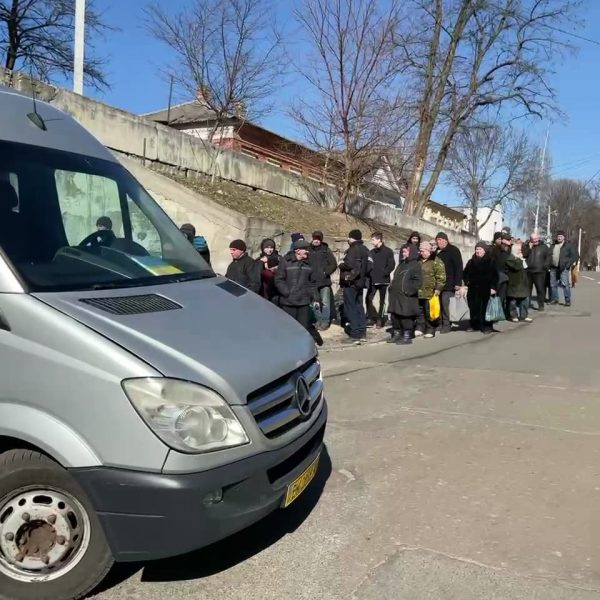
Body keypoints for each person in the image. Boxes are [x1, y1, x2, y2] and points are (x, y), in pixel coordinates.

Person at [275, 239, 323, 346]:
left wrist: (315, 299)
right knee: (288, 328)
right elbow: (279, 279)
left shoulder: (309, 264)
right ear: (297, 250)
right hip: (288, 302)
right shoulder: (285, 261)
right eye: (305, 249)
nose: (307, 251)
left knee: (303, 328)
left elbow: (312, 283)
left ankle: (300, 349)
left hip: (304, 302)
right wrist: (287, 293)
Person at [339, 229, 369, 342]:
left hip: (350, 282)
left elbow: (349, 264)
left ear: (353, 238)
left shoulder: (353, 249)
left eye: (349, 237)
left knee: (350, 307)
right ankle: (362, 330)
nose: (347, 239)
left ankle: (355, 332)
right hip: (360, 282)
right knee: (359, 306)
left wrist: (341, 264)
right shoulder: (365, 249)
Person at [388, 244, 422, 344]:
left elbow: (418, 282)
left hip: (406, 296)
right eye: (403, 252)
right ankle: (397, 333)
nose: (403, 253)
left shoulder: (415, 264)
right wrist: (391, 288)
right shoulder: (402, 264)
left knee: (405, 316)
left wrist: (409, 291)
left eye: (406, 251)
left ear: (411, 252)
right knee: (395, 315)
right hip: (396, 295)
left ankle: (407, 336)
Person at [463, 242, 498, 333]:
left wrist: (493, 287)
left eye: (480, 249)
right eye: (477, 249)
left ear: (485, 251)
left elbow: (496, 276)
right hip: (473, 289)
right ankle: (474, 325)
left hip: (487, 288)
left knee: (486, 308)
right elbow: (465, 273)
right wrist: (467, 282)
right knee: (474, 308)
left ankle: (487, 326)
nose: (478, 251)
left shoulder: (491, 261)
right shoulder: (471, 261)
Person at [416, 241, 446, 339]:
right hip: (418, 290)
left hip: (431, 291)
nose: (421, 253)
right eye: (420, 251)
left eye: (423, 251)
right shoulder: (418, 260)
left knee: (429, 310)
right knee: (419, 310)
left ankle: (430, 328)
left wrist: (438, 289)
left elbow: (441, 277)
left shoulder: (436, 261)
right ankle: (420, 327)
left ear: (429, 251)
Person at [308, 230, 337, 330]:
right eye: (315, 238)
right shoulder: (308, 250)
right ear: (312, 238)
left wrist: (325, 273)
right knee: (315, 303)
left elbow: (333, 264)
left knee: (325, 303)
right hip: (312, 282)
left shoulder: (326, 250)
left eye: (318, 239)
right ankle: (318, 321)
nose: (316, 241)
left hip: (324, 281)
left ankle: (325, 322)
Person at [435, 231, 463, 333]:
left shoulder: (453, 250)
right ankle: (441, 323)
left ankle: (447, 324)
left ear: (446, 240)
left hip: (449, 283)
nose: (438, 242)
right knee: (439, 305)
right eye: (437, 240)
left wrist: (458, 283)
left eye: (440, 240)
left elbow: (458, 267)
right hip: (438, 284)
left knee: (446, 304)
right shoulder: (437, 252)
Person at [366, 232, 395, 328]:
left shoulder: (388, 251)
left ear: (379, 240)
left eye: (373, 239)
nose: (371, 241)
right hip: (373, 280)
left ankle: (380, 319)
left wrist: (384, 273)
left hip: (383, 281)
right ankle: (370, 317)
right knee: (368, 298)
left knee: (382, 301)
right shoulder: (372, 252)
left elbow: (391, 265)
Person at [549, 230, 579, 307]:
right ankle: (555, 299)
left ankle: (567, 300)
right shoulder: (553, 245)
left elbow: (575, 256)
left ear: (564, 237)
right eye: (558, 236)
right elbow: (549, 255)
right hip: (553, 268)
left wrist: (568, 265)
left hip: (563, 268)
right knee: (553, 284)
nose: (559, 238)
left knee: (565, 284)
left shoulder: (568, 245)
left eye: (561, 236)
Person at [522, 232, 550, 311]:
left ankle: (541, 305)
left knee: (540, 289)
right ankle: (527, 304)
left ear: (539, 238)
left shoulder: (544, 247)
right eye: (533, 239)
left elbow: (548, 257)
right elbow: (524, 255)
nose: (535, 240)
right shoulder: (526, 246)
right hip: (528, 271)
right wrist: (529, 248)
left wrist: (545, 266)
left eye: (536, 238)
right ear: (531, 239)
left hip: (540, 271)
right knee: (527, 289)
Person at [506, 243, 532, 323]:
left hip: (523, 282)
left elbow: (525, 267)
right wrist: (520, 259)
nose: (521, 251)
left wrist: (522, 259)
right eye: (519, 250)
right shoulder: (510, 259)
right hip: (514, 283)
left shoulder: (520, 258)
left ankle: (524, 316)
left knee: (525, 299)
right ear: (514, 250)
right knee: (513, 301)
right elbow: (516, 267)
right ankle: (514, 316)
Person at [490, 231, 512, 317]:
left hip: (504, 275)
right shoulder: (492, 249)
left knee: (502, 296)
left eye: (501, 239)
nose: (500, 241)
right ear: (495, 240)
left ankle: (500, 312)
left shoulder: (505, 249)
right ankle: (495, 313)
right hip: (496, 275)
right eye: (499, 239)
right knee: (495, 295)